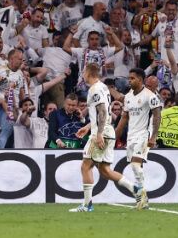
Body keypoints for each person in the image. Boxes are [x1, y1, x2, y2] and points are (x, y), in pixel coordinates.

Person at [69, 63, 140, 213]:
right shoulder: (103, 87)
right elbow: (103, 113)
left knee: (85, 166)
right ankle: (135, 189)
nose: (82, 74)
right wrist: (88, 126)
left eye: (84, 71)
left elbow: (102, 111)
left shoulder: (94, 89)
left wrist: (99, 133)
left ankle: (87, 205)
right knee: (105, 171)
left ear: (89, 73)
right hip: (107, 130)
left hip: (101, 133)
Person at [116, 68, 163, 210]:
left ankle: (143, 198)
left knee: (136, 165)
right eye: (129, 78)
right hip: (131, 136)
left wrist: (153, 136)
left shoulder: (150, 96)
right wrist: (115, 136)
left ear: (140, 80)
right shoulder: (128, 97)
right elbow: (124, 117)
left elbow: (157, 116)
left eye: (132, 78)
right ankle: (142, 199)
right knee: (136, 167)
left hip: (143, 135)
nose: (129, 81)